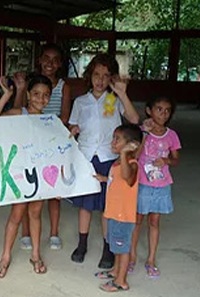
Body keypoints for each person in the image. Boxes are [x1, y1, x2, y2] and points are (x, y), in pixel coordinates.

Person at [68, 53, 139, 269]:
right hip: (87, 158)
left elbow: (134, 120)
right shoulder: (80, 102)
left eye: (106, 76)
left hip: (109, 159)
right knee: (86, 205)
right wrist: (74, 130)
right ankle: (82, 244)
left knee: (108, 207)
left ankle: (108, 248)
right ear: (89, 76)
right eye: (96, 74)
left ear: (112, 79)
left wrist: (123, 94)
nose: (100, 79)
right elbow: (72, 127)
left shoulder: (114, 100)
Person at [0, 74, 52, 278]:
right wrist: (7, 95)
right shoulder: (18, 113)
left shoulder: (50, 121)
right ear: (27, 94)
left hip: (39, 174)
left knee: (35, 214)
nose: (41, 99)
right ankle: (5, 256)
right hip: (19, 173)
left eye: (45, 95)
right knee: (16, 215)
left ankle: (35, 254)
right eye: (36, 94)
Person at [13, 43, 71, 251]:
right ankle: (26, 233)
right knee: (29, 191)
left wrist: (51, 131)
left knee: (53, 191)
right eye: (46, 58)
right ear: (39, 60)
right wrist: (20, 88)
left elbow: (64, 117)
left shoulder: (64, 86)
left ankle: (54, 232)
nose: (50, 63)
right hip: (30, 144)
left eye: (55, 60)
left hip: (51, 142)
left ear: (60, 64)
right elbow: (18, 110)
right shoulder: (31, 84)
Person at [129, 97, 181, 278]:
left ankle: (151, 259)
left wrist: (166, 160)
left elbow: (176, 160)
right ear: (149, 110)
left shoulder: (171, 135)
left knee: (154, 222)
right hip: (143, 183)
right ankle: (132, 256)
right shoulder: (142, 131)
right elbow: (134, 153)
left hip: (161, 185)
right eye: (159, 109)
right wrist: (145, 133)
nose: (163, 113)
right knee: (137, 220)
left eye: (167, 110)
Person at [93, 124, 143, 292]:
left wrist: (124, 153)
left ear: (131, 145)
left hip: (123, 216)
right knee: (116, 245)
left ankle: (121, 281)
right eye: (113, 138)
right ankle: (115, 270)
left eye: (117, 139)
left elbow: (128, 178)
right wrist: (104, 179)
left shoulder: (132, 163)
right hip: (113, 213)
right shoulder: (116, 164)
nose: (113, 142)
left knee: (123, 249)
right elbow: (118, 182)